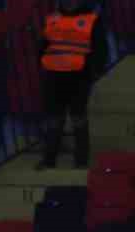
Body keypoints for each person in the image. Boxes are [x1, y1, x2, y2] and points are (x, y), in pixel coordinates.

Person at [37, 0, 107, 170]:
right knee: (54, 120)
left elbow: (100, 48)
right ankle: (49, 161)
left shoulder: (92, 19)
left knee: (78, 118)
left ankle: (81, 161)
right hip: (54, 78)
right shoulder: (51, 19)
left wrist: (94, 71)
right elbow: (42, 46)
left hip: (79, 78)